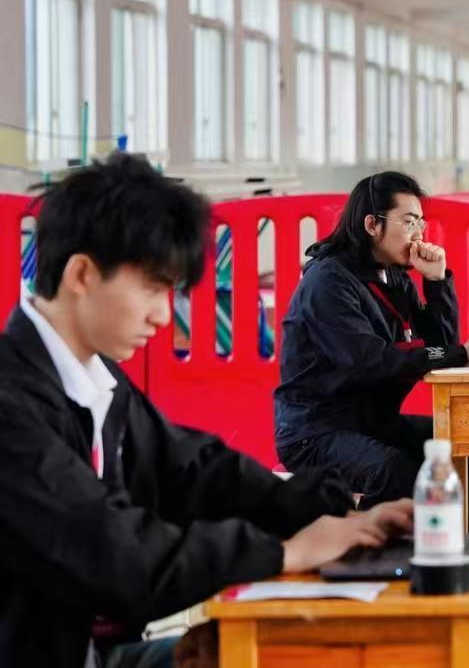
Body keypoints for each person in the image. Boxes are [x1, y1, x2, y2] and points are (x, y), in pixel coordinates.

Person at [0, 153, 410, 668]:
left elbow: (192, 470)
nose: (162, 315)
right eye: (152, 288)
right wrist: (287, 553)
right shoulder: (11, 406)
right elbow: (116, 554)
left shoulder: (95, 380)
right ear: (81, 273)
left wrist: (335, 516)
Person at [274, 171, 469, 525]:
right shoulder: (328, 282)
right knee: (396, 471)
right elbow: (371, 362)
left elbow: (440, 347)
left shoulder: (393, 276)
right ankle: (364, 548)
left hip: (373, 423)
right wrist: (462, 353)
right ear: (372, 224)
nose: (419, 234)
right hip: (316, 433)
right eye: (409, 222)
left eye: (421, 223)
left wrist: (436, 281)